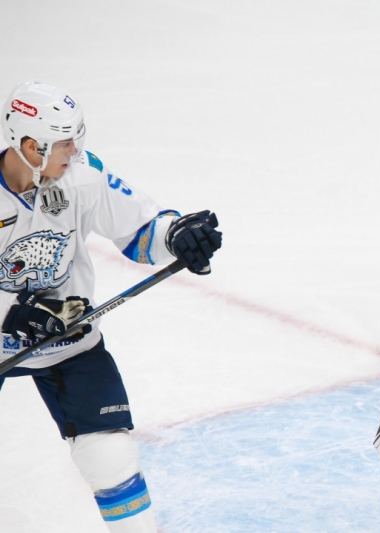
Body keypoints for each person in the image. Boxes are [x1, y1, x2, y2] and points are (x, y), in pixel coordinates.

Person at [0, 81, 222, 532]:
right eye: (63, 143)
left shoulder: (81, 175)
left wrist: (176, 235)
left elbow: (140, 229)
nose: (74, 151)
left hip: (67, 339)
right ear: (28, 145)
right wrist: (11, 314)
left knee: (112, 457)